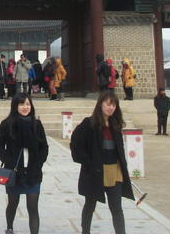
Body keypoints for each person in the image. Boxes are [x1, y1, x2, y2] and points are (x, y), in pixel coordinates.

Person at [70, 91, 134, 234]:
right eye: (108, 104)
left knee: (117, 208)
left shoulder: (115, 125)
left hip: (114, 171)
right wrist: (88, 162)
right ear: (100, 104)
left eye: (114, 105)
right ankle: (85, 231)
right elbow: (75, 144)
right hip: (96, 171)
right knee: (90, 205)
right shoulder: (89, 124)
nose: (111, 108)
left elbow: (120, 150)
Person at [0, 93, 49, 234]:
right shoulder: (7, 124)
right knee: (13, 203)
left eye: (27, 104)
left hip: (33, 171)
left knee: (33, 206)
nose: (25, 107)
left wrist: (39, 163)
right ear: (15, 106)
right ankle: (10, 227)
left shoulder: (36, 125)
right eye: (22, 104)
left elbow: (44, 147)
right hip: (14, 171)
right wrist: (9, 161)